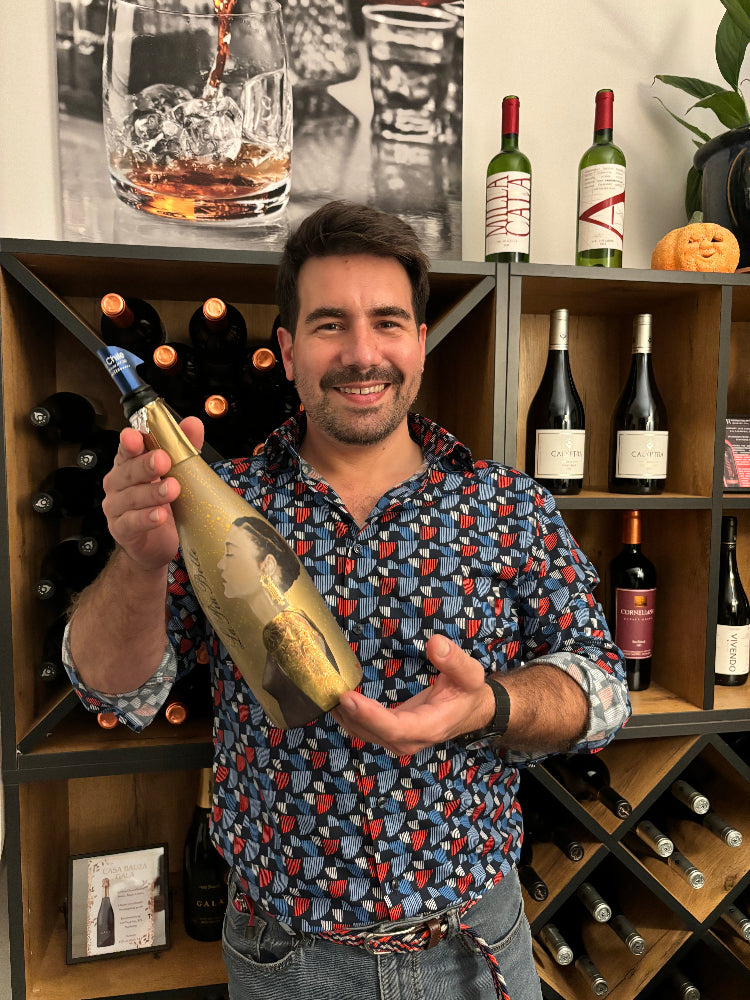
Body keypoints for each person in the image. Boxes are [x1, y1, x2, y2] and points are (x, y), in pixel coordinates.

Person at [65, 200, 630, 1000]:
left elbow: (603, 692)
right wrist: (138, 563)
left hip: (475, 945)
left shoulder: (508, 505)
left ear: (422, 344)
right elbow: (117, 693)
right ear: (288, 350)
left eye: (388, 322)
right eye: (331, 324)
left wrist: (488, 705)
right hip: (286, 961)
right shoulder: (212, 503)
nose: (363, 354)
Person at [218, 515, 344, 727]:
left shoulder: (290, 629)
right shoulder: (273, 628)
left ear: (266, 565)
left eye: (230, 553)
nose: (221, 564)